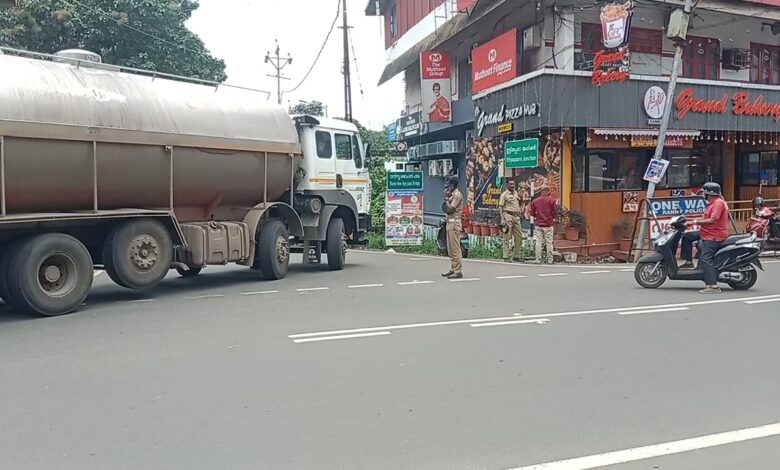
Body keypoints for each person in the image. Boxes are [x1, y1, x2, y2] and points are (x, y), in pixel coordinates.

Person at [691, 182, 730, 294]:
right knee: (688, 236)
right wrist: (689, 220)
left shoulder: (718, 203)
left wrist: (695, 221)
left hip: (714, 235)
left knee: (705, 258)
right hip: (706, 232)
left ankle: (713, 285)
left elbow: (713, 219)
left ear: (709, 193)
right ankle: (688, 262)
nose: (703, 195)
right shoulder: (711, 203)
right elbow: (706, 218)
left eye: (704, 193)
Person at [441, 176, 464, 279]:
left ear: (453, 185)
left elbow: (450, 209)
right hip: (449, 222)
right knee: (450, 249)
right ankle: (453, 268)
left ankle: (458, 270)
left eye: (448, 186)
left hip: (455, 223)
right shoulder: (452, 195)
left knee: (455, 248)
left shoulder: (457, 195)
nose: (447, 188)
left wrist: (446, 198)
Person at [529, 188, 558, 264]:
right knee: (549, 242)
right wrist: (554, 218)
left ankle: (538, 259)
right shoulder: (552, 200)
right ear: (548, 192)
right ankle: (550, 260)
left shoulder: (535, 201)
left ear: (541, 192)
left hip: (538, 224)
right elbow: (555, 211)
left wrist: (537, 216)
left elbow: (532, 213)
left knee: (538, 242)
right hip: (549, 224)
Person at [498, 179, 523, 262]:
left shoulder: (516, 193)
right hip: (508, 215)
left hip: (516, 217)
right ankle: (506, 256)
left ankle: (517, 255)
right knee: (506, 237)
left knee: (519, 236)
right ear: (507, 185)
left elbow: (520, 203)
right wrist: (502, 219)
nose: (512, 185)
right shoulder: (504, 195)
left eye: (513, 184)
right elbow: (501, 207)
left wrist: (521, 198)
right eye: (511, 184)